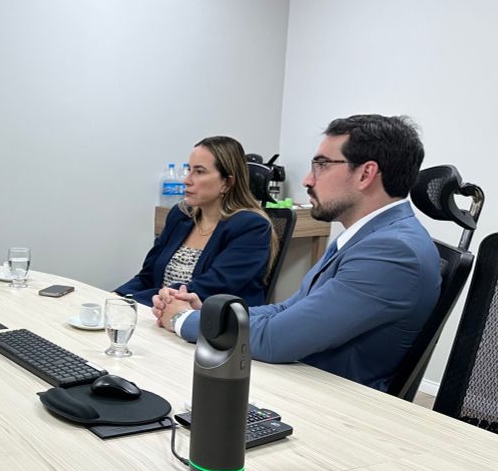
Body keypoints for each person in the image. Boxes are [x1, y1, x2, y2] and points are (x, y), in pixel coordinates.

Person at [155, 114, 441, 391]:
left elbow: (277, 339)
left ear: (366, 174)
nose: (307, 180)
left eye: (321, 165)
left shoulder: (392, 252)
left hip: (332, 405)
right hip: (302, 381)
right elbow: (285, 311)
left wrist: (183, 319)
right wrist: (208, 313)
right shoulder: (370, 236)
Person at [115, 136, 277, 307]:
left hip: (211, 325)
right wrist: (116, 297)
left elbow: (208, 288)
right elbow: (147, 276)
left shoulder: (252, 227)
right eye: (188, 170)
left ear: (227, 182)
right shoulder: (180, 215)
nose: (186, 180)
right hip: (162, 314)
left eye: (199, 171)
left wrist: (131, 304)